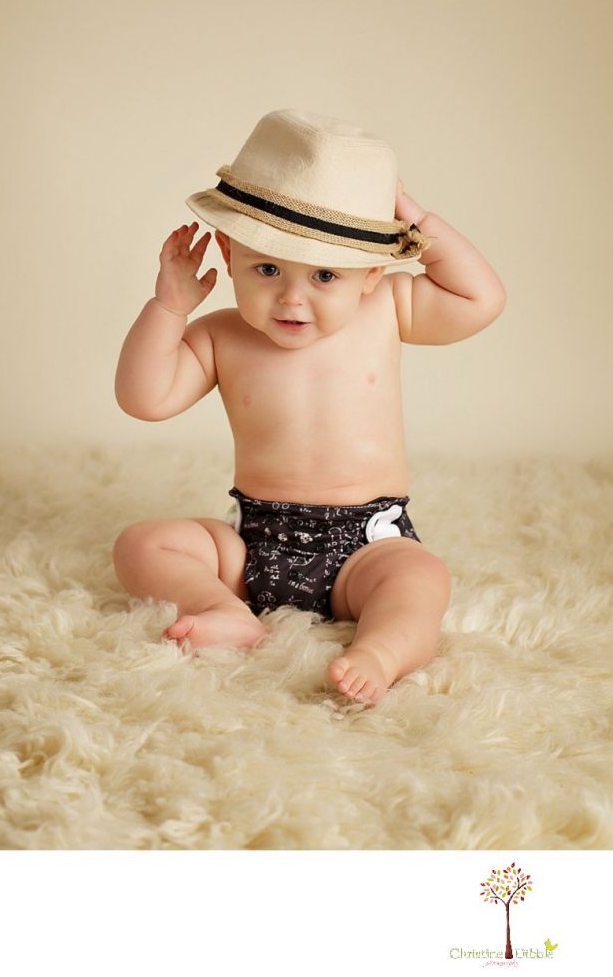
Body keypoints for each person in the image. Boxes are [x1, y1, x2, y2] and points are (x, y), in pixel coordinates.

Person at [113, 110, 505, 704]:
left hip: (365, 542)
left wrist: (420, 224)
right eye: (267, 268)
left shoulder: (387, 308)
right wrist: (169, 307)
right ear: (228, 252)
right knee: (143, 543)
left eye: (325, 275)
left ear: (370, 273)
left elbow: (481, 299)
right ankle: (224, 611)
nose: (292, 298)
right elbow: (145, 398)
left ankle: (379, 652)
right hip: (253, 540)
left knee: (419, 576)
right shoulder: (221, 335)